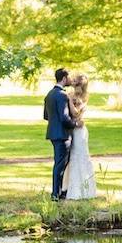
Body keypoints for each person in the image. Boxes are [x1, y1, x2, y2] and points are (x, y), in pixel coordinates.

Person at [43, 68, 78, 201]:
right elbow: (64, 118)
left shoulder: (49, 94)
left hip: (53, 133)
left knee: (59, 163)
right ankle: (55, 194)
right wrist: (75, 124)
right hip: (63, 135)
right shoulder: (63, 95)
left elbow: (46, 116)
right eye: (69, 77)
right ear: (64, 78)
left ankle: (59, 192)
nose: (70, 80)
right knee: (60, 165)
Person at [62, 74, 97, 200]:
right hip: (74, 130)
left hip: (80, 131)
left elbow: (76, 113)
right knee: (73, 158)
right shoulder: (70, 94)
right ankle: (72, 188)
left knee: (81, 157)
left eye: (75, 81)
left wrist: (70, 100)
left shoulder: (84, 97)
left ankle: (85, 190)